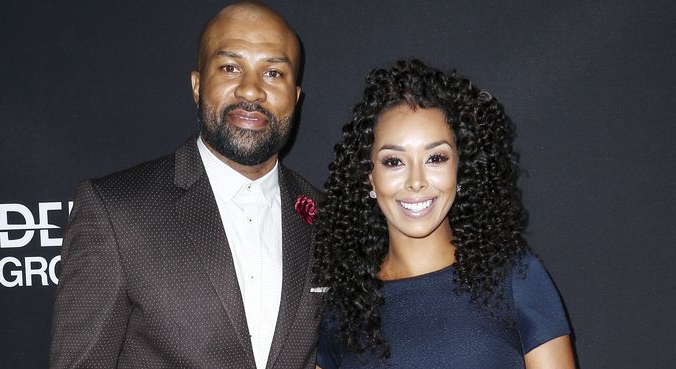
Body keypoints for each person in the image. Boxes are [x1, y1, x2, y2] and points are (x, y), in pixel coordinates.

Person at [49, 2, 323, 368]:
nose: (251, 90)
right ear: (197, 86)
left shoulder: (327, 218)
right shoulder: (115, 211)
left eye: (273, 73)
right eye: (230, 67)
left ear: (295, 97)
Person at [313, 60, 575, 369]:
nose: (416, 181)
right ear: (368, 177)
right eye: (394, 161)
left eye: (436, 158)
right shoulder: (344, 309)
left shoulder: (514, 279)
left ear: (460, 169)